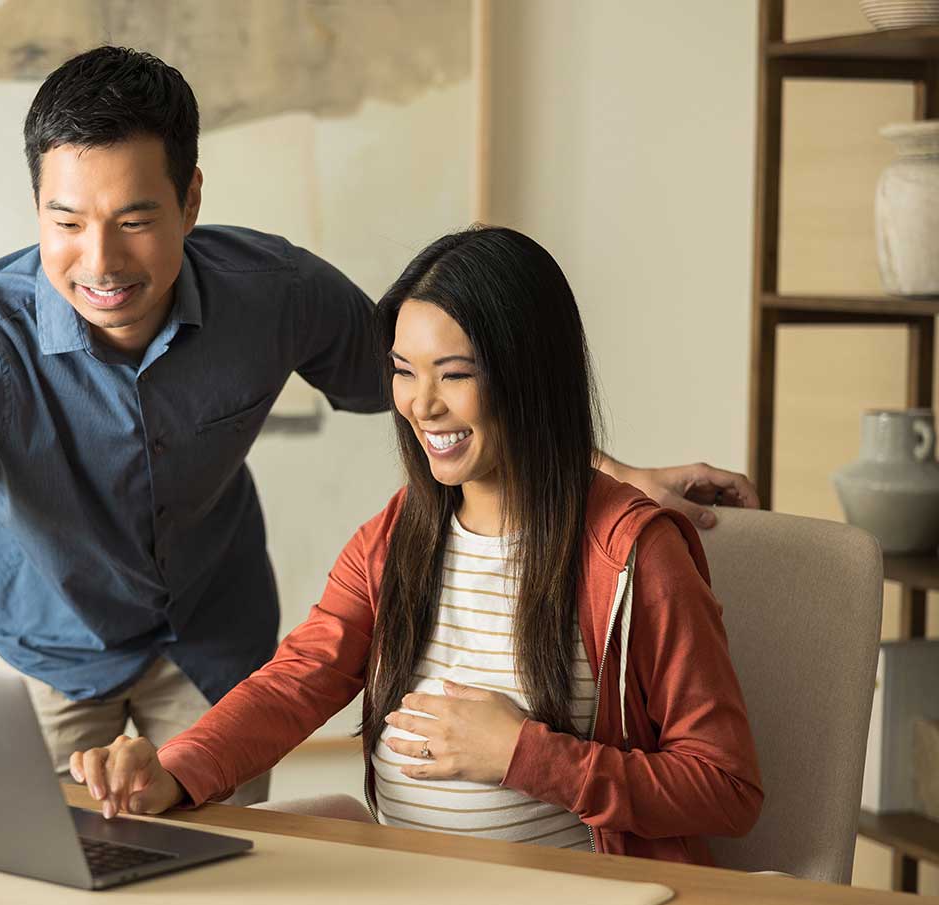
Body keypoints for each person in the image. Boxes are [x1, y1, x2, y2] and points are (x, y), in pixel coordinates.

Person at [0, 47, 758, 810]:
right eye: (66, 221)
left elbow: (454, 400)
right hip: (43, 649)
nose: (98, 258)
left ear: (192, 199)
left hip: (216, 649)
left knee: (217, 893)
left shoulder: (273, 294)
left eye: (135, 217)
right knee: (26, 886)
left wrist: (611, 472)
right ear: (37, 207)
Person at [71, 227, 763, 864]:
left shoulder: (633, 555)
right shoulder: (397, 536)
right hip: (407, 895)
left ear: (530, 376)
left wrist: (525, 755)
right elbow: (295, 682)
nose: (420, 404)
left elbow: (725, 786)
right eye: (404, 370)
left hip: (567, 902)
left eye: (454, 374)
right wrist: (173, 769)